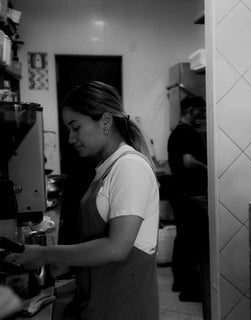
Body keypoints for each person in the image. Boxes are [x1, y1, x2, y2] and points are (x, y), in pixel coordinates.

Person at [6, 81, 160, 320]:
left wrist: (47, 254)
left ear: (106, 121)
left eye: (76, 127)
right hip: (102, 301)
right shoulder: (107, 168)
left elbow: (116, 247)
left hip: (125, 306)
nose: (71, 138)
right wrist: (69, 262)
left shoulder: (130, 167)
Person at [167, 95, 208, 302]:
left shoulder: (176, 132)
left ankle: (179, 283)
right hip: (190, 195)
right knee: (191, 242)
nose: (204, 114)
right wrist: (208, 168)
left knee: (183, 239)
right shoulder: (187, 133)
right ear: (191, 110)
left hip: (181, 193)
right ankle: (190, 290)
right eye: (202, 110)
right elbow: (188, 161)